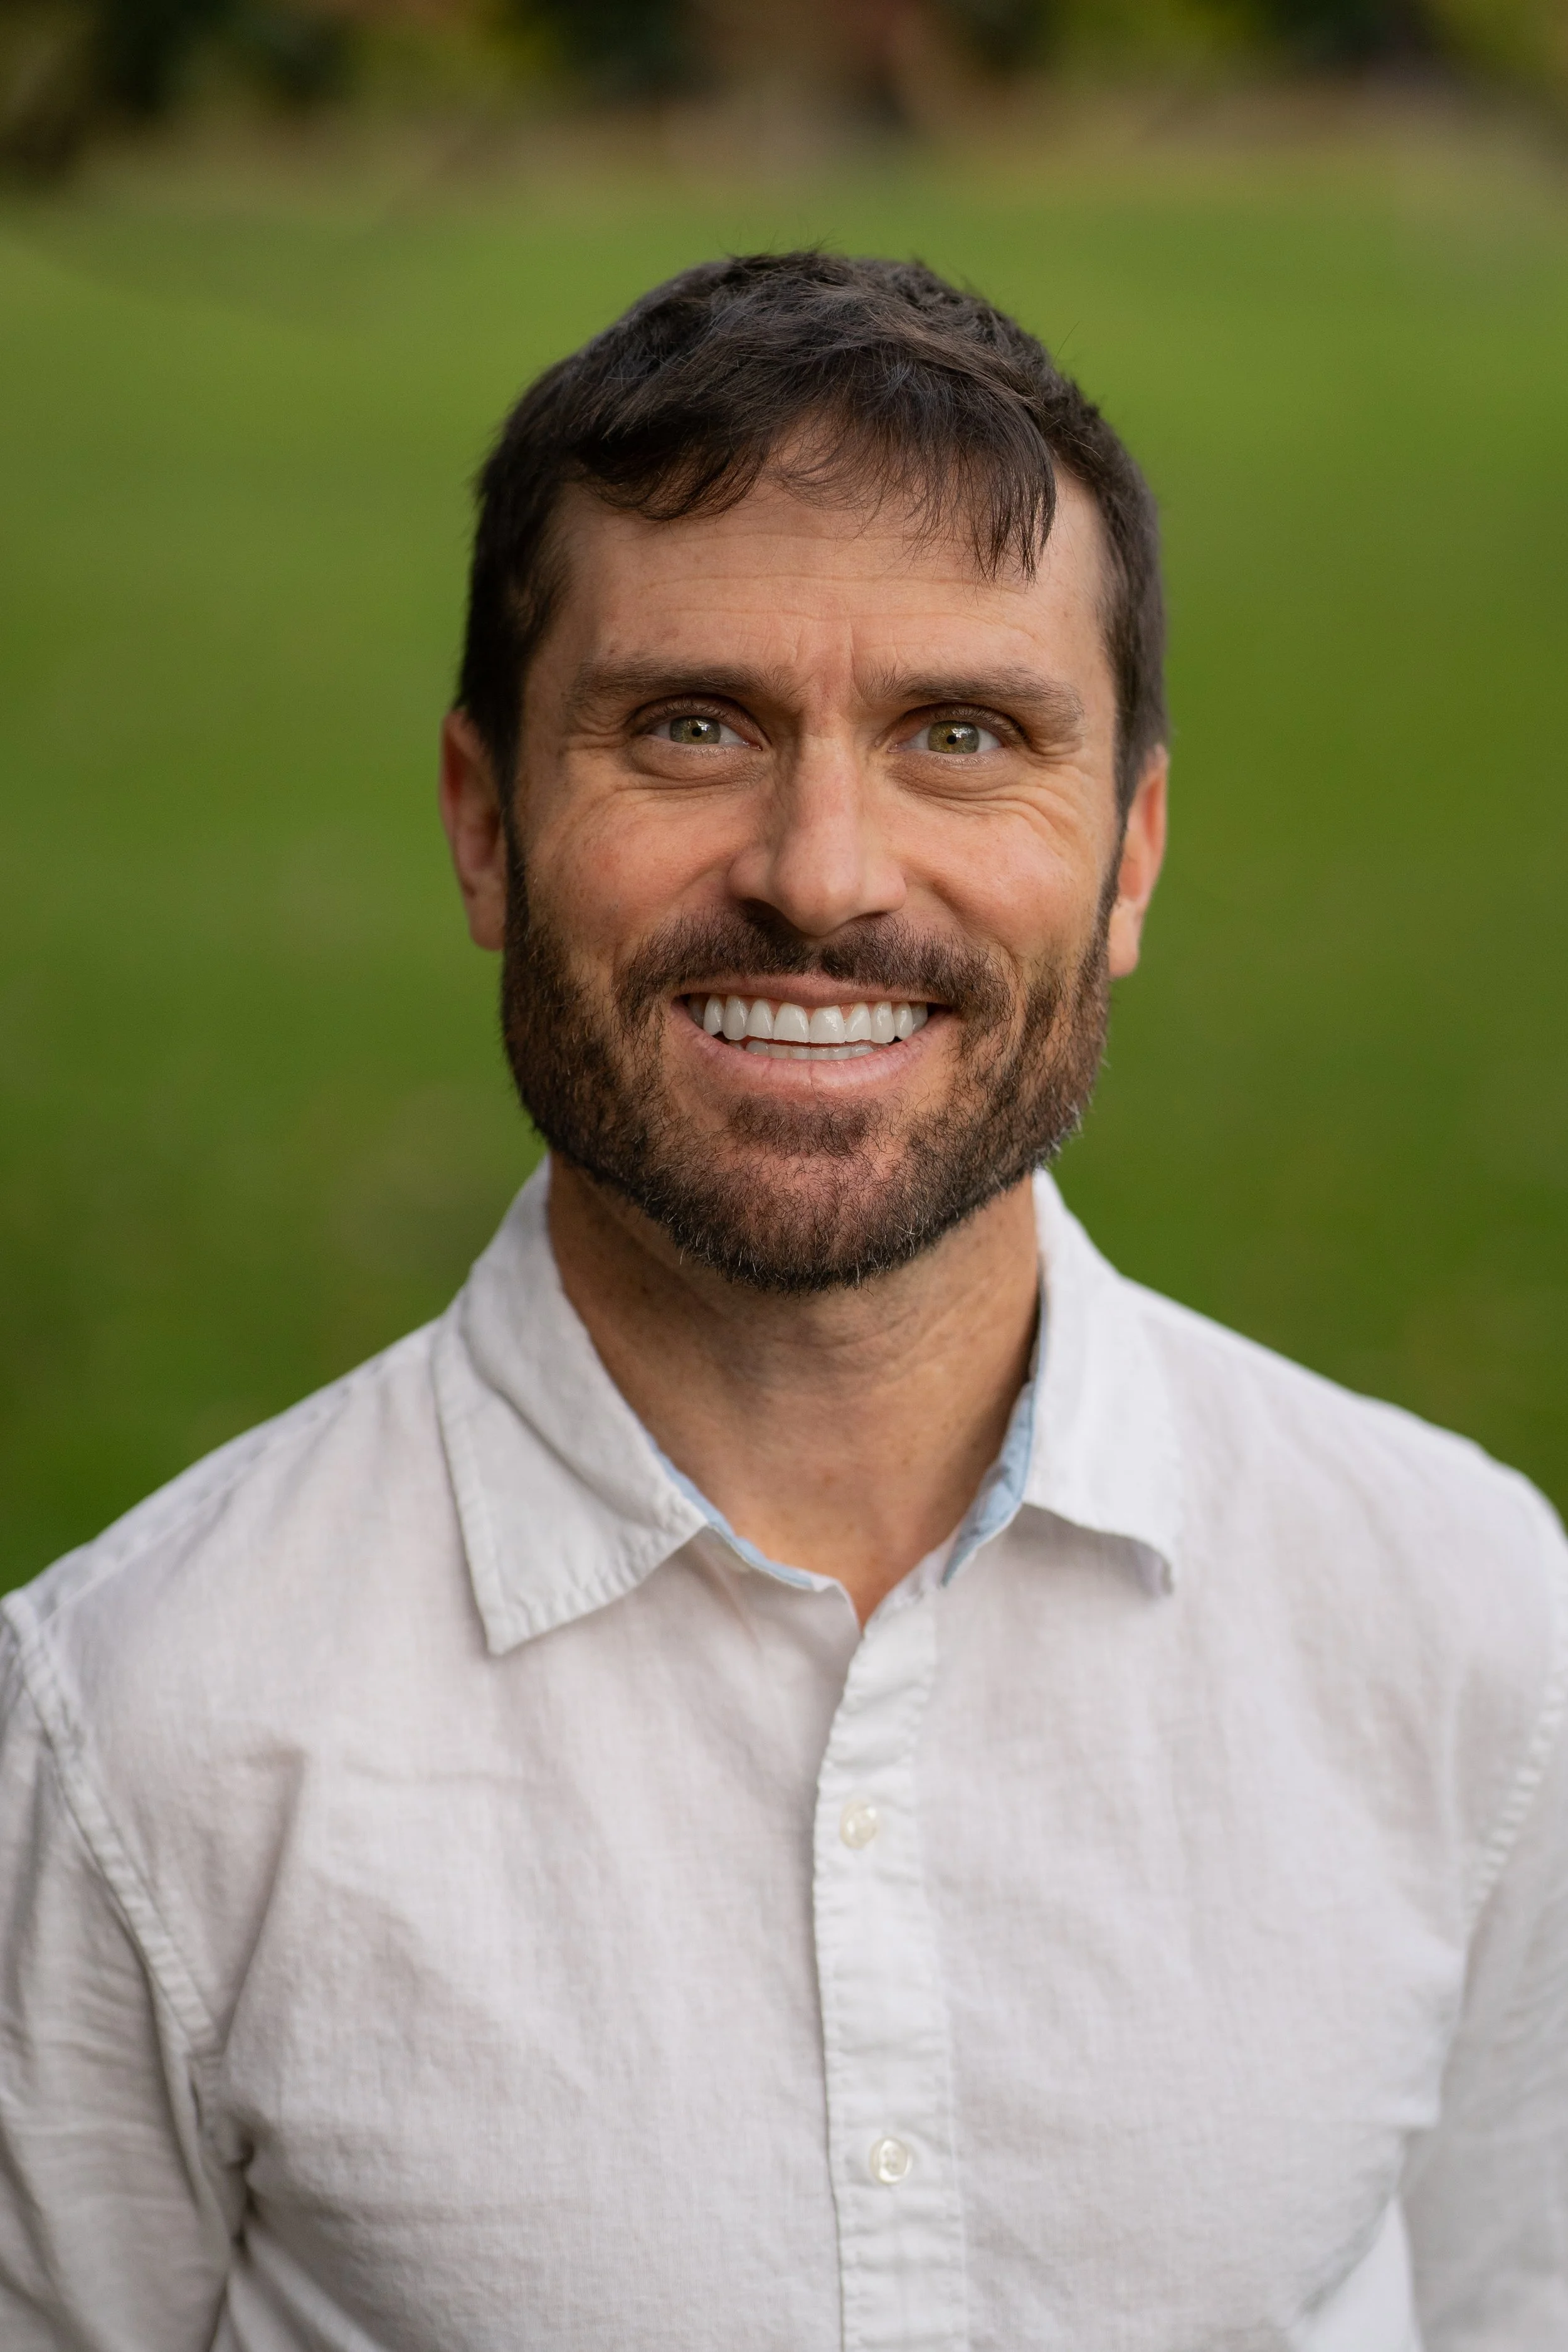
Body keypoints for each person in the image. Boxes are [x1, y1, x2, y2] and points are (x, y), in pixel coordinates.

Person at [1, 252, 1564, 2352]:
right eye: (691, 724)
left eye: (961, 733)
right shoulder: (135, 1717)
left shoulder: (1465, 1619)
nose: (823, 870)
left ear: (1129, 857)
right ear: (484, 827)